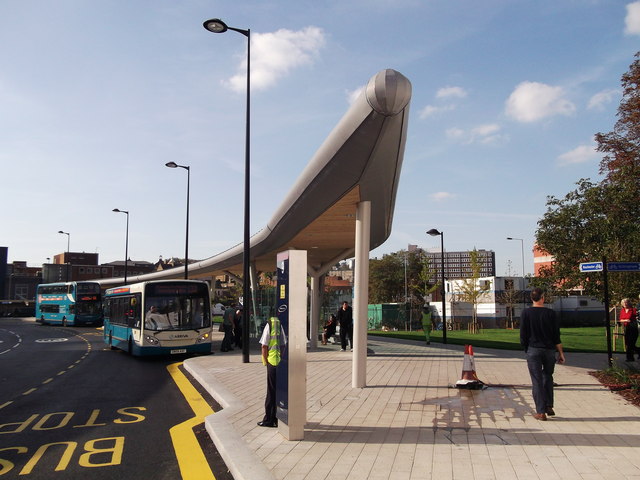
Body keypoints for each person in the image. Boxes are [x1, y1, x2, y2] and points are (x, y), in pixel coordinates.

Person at [520, 287, 565, 421]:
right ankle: (549, 405)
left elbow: (523, 334)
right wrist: (561, 353)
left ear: (531, 298)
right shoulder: (551, 313)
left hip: (533, 349)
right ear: (543, 298)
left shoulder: (526, 313)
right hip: (549, 350)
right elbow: (556, 335)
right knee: (548, 376)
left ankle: (540, 411)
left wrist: (526, 348)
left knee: (536, 380)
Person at [258, 316, 286, 428]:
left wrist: (265, 361)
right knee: (279, 392)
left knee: (271, 392)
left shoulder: (269, 324)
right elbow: (283, 344)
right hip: (279, 363)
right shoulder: (280, 325)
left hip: (271, 363)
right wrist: (281, 358)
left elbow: (264, 346)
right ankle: (277, 418)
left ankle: (268, 419)